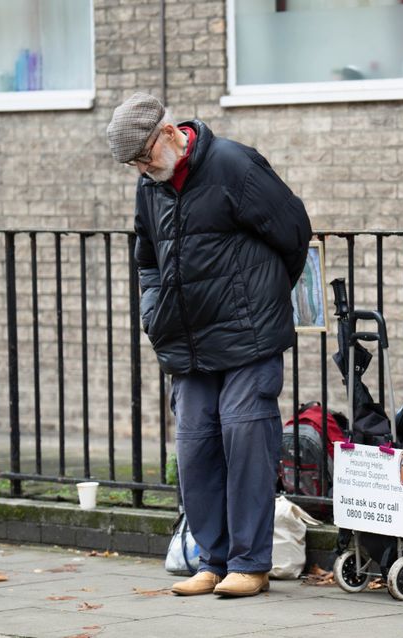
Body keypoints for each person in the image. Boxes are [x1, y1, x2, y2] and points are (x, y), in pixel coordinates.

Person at [106, 93, 311, 597]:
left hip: (248, 336)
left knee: (246, 439)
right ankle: (212, 561)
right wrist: (152, 308)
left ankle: (250, 564)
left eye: (143, 156)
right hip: (187, 340)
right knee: (196, 446)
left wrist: (258, 297)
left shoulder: (233, 165)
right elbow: (147, 254)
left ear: (169, 132)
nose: (140, 168)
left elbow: (294, 231)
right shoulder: (150, 185)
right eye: (132, 163)